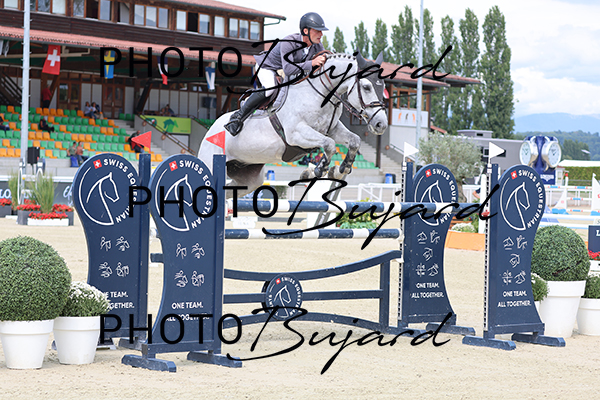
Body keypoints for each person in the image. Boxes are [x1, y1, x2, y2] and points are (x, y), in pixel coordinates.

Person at [224, 12, 328, 136]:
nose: (321, 34)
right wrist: (312, 63)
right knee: (270, 88)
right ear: (306, 31)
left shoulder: (317, 46)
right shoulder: (289, 42)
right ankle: (237, 117)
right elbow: (288, 69)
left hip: (283, 71)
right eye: (317, 31)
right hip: (267, 66)